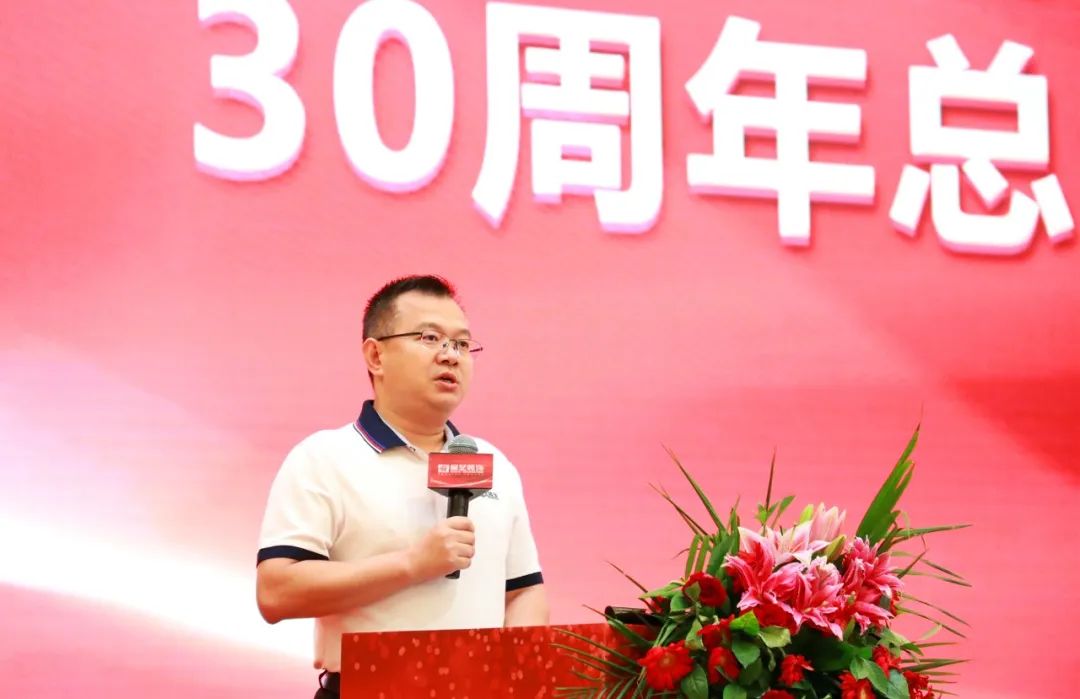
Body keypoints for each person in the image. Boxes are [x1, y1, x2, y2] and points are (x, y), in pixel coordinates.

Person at [255, 275, 549, 698]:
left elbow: (523, 591)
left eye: (462, 344)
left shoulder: (494, 464)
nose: (450, 355)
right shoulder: (324, 457)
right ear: (376, 355)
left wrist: (515, 676)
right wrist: (412, 564)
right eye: (430, 338)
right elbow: (276, 592)